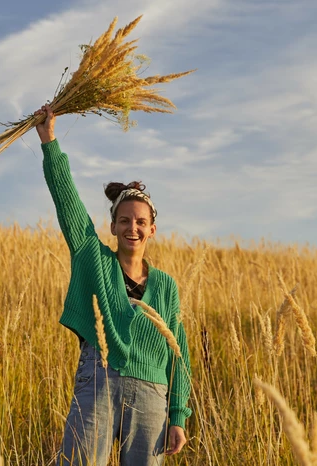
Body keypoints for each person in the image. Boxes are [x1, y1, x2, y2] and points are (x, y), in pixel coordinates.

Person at [34, 105, 192, 466]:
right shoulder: (95, 259)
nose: (131, 229)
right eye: (124, 221)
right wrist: (49, 142)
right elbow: (68, 204)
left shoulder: (166, 286)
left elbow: (177, 350)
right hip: (99, 385)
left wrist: (178, 417)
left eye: (140, 222)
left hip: (152, 395)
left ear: (152, 228)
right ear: (113, 226)